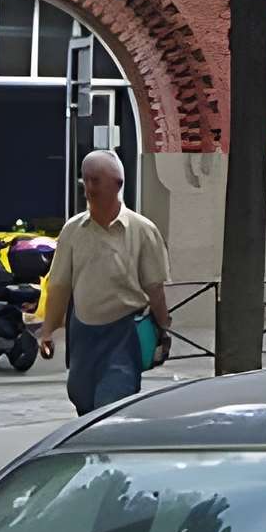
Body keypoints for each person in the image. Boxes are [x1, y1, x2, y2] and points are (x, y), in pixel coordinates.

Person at [33, 148, 171, 414]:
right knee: (81, 397)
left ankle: (107, 451)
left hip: (125, 332)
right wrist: (48, 331)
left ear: (117, 184)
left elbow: (155, 287)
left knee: (110, 403)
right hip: (83, 333)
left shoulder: (143, 231)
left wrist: (163, 326)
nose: (89, 187)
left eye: (96, 180)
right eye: (86, 179)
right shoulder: (73, 231)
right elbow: (59, 286)